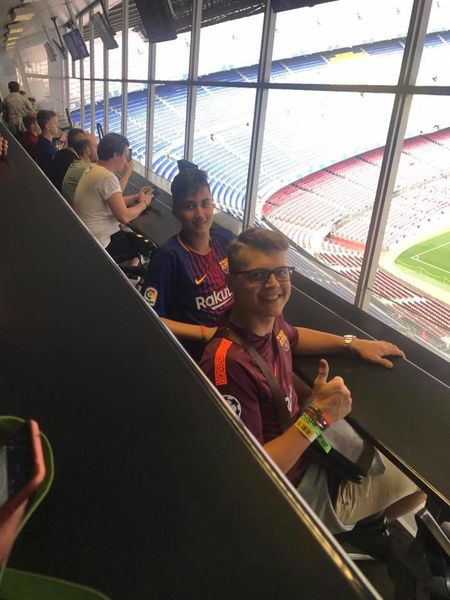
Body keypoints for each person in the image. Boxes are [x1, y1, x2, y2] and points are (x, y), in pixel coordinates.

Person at [200, 228, 425, 533]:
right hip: (296, 491)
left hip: (313, 454)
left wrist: (352, 343)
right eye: (258, 276)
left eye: (281, 272)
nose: (273, 284)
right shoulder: (228, 364)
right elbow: (252, 471)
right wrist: (317, 417)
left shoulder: (265, 321)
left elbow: (293, 337)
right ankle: (368, 532)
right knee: (421, 480)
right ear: (231, 283)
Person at [141, 165, 235, 359]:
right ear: (176, 211)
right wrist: (206, 333)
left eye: (205, 203)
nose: (200, 214)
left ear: (213, 205)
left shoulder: (225, 240)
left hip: (236, 342)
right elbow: (150, 316)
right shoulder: (168, 258)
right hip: (201, 355)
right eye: (190, 206)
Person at [73, 132, 152, 265]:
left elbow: (112, 201)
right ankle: (128, 275)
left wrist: (136, 197)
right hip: (99, 244)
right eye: (125, 156)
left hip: (86, 238)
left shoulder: (93, 169)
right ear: (115, 155)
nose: (126, 161)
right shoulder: (107, 178)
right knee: (146, 247)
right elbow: (124, 217)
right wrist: (144, 203)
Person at [62, 133, 98, 206]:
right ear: (88, 150)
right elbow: (111, 195)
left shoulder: (77, 165)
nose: (98, 150)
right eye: (95, 147)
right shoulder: (85, 170)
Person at [35, 110, 60, 181]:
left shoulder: (42, 140)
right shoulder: (47, 148)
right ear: (47, 126)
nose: (57, 126)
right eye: (55, 124)